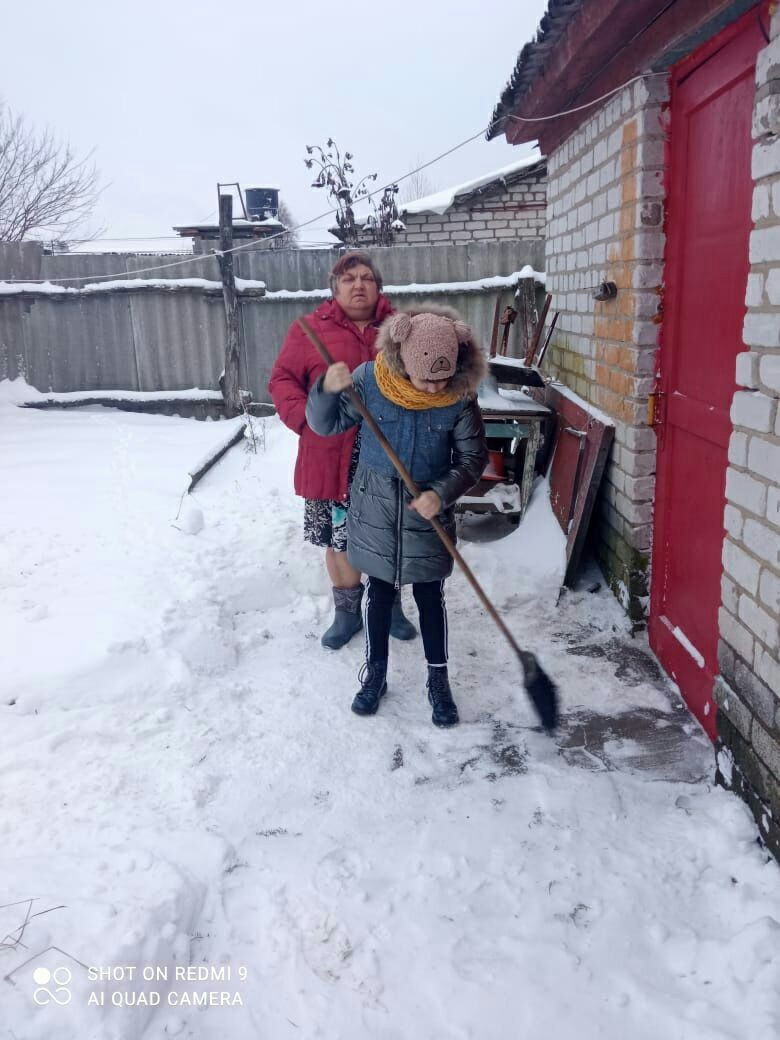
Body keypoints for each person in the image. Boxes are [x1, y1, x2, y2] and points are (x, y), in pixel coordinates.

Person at [305, 307, 488, 726]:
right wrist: (326, 391)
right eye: (424, 378)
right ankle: (375, 675)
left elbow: (473, 457)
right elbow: (325, 425)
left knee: (429, 597)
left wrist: (440, 494)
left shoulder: (459, 397)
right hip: (374, 509)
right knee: (378, 594)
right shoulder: (371, 380)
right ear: (403, 359)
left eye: (441, 379)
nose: (432, 387)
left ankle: (438, 682)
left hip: (427, 514)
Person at [268, 251, 416, 649]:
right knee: (341, 540)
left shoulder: (402, 329)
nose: (358, 285)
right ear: (334, 288)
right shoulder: (308, 330)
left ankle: (390, 608)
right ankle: (347, 614)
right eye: (348, 279)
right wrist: (308, 420)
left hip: (389, 456)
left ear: (378, 287)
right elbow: (282, 381)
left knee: (391, 537)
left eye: (367, 277)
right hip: (332, 457)